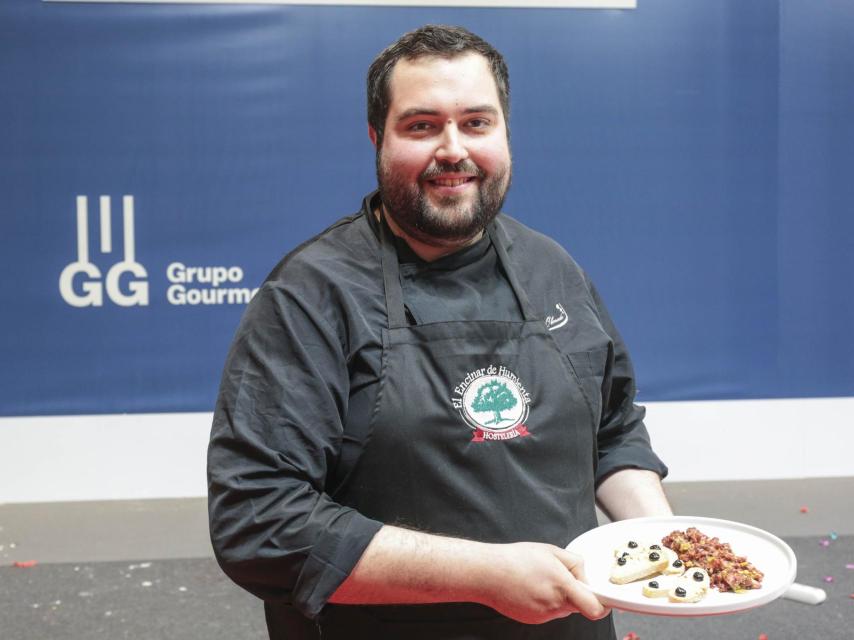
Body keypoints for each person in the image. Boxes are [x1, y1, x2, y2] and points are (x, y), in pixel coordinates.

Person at [208, 24, 672, 640]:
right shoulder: (311, 294)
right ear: (377, 137)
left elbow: (613, 432)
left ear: (505, 132)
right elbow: (259, 522)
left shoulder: (551, 267)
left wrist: (664, 542)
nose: (453, 149)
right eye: (422, 125)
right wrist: (484, 574)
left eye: (477, 123)